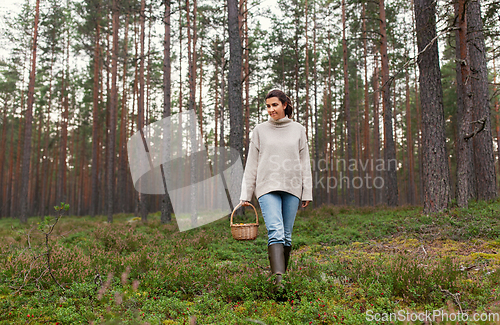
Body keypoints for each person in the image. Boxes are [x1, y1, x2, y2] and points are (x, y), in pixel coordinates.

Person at [239, 89, 313, 288]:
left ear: (285, 105)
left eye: (275, 105)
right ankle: (278, 282)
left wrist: (307, 191)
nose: (271, 109)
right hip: (267, 187)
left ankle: (283, 277)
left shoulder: (298, 129)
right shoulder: (260, 130)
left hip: (292, 187)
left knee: (287, 234)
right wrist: (246, 194)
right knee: (276, 231)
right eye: (268, 106)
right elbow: (252, 164)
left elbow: (304, 162)